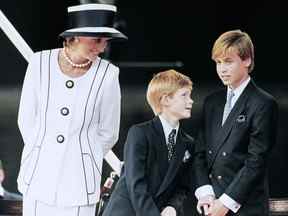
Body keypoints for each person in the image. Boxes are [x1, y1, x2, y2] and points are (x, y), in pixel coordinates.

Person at [17, 3, 127, 216]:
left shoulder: (108, 74)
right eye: (97, 40)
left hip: (80, 184)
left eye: (105, 41)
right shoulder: (39, 63)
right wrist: (43, 150)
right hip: (37, 177)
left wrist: (83, 157)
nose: (102, 48)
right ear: (75, 37)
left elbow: (109, 132)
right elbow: (26, 119)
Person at [194, 29, 278, 216]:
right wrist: (205, 193)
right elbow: (200, 152)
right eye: (218, 62)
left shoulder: (264, 103)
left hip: (245, 207)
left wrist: (225, 203)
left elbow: (256, 161)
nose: (222, 69)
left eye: (228, 61)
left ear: (247, 60)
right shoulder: (211, 102)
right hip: (210, 204)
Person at [102, 69, 195, 216]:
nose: (191, 100)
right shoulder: (139, 133)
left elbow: (182, 187)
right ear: (165, 100)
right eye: (184, 95)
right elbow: (136, 184)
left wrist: (173, 206)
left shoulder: (188, 143)